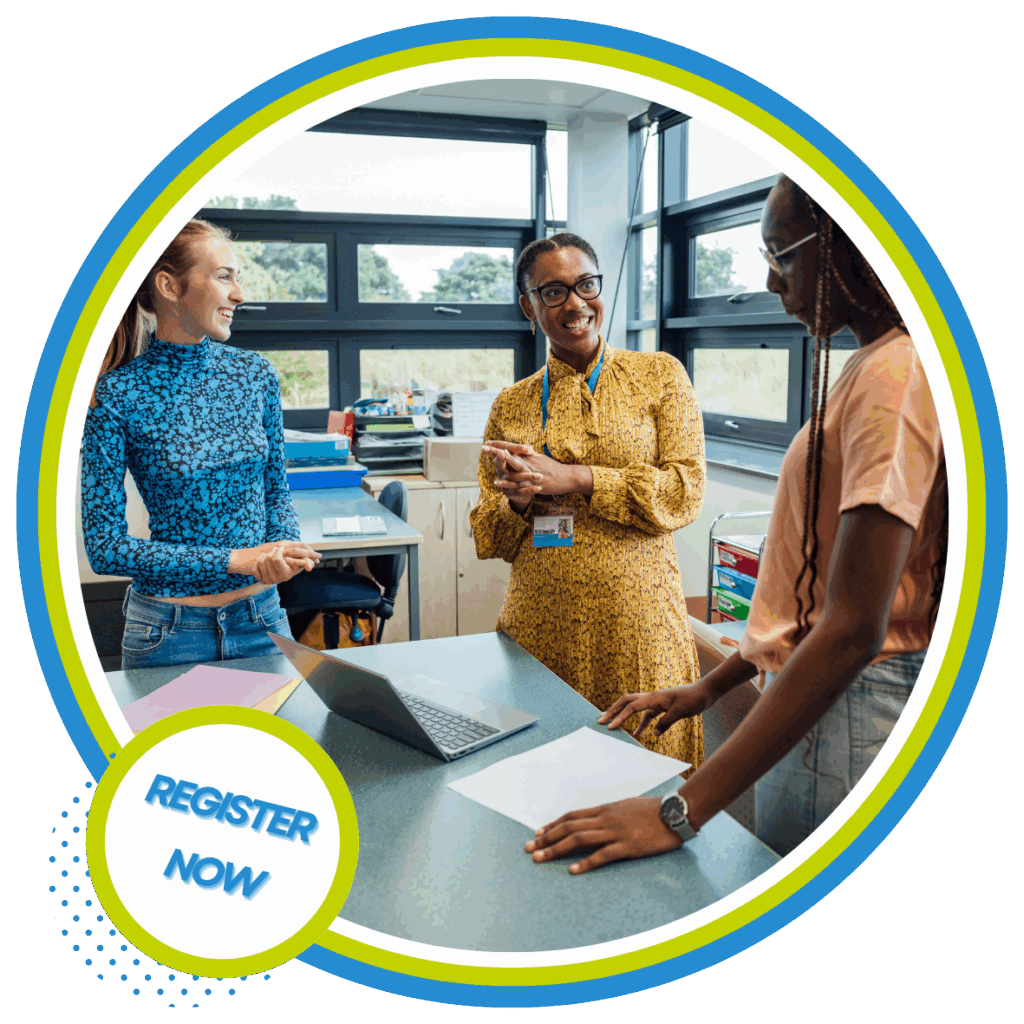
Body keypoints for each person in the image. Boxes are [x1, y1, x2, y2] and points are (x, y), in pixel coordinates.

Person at [524, 176, 947, 872]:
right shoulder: (870, 365)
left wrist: (680, 809)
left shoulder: (895, 377)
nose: (771, 281)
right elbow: (813, 596)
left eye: (782, 255)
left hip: (847, 701)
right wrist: (713, 686)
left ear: (850, 248)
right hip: (814, 688)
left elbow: (851, 627)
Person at [470, 232, 707, 768]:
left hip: (640, 626)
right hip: (539, 629)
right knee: (543, 773)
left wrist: (577, 478)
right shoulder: (512, 404)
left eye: (586, 285)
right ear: (529, 307)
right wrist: (517, 502)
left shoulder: (660, 376)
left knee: (648, 770)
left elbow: (684, 491)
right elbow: (488, 534)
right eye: (553, 292)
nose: (575, 304)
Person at [81, 218, 321, 669]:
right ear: (169, 286)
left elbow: (275, 490)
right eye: (223, 277)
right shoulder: (116, 394)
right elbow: (105, 547)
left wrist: (281, 548)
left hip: (263, 621)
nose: (239, 294)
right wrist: (236, 560)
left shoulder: (256, 376)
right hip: (167, 633)